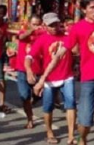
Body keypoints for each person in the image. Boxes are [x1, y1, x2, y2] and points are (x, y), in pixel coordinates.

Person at [43, 0, 94, 145]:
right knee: (85, 121)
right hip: (89, 79)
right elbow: (61, 53)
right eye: (92, 7)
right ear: (84, 10)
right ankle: (82, 138)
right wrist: (42, 78)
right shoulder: (77, 28)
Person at [28, 13, 76, 145]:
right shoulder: (41, 39)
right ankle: (49, 132)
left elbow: (76, 50)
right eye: (51, 25)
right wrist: (28, 70)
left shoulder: (67, 36)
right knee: (48, 107)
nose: (55, 27)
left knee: (71, 103)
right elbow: (29, 57)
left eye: (56, 24)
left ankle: (71, 135)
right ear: (45, 26)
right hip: (49, 78)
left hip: (67, 76)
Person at [15, 14, 45, 129]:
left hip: (38, 70)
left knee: (39, 94)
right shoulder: (23, 32)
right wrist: (32, 30)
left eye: (38, 24)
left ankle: (31, 104)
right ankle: (30, 119)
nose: (36, 27)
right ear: (29, 24)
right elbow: (21, 38)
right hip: (23, 70)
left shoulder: (43, 34)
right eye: (33, 24)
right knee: (24, 95)